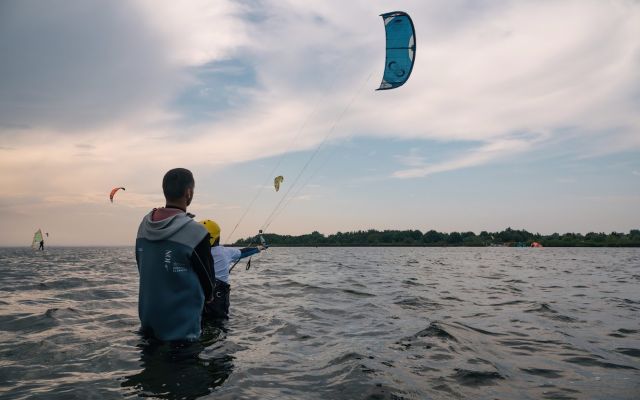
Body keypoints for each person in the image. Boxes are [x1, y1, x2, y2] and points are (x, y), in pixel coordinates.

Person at [135, 168, 215, 341]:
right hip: (182, 333)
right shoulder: (196, 232)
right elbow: (208, 284)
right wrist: (209, 297)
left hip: (148, 325)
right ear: (188, 192)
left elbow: (141, 265)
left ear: (165, 190)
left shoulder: (144, 225)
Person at [200, 219, 265, 320]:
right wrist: (258, 248)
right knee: (219, 323)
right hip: (218, 296)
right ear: (218, 237)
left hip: (199, 295)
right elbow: (243, 252)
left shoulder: (193, 252)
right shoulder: (226, 252)